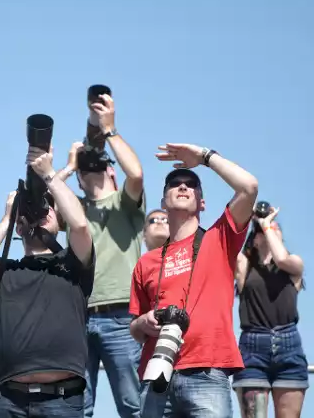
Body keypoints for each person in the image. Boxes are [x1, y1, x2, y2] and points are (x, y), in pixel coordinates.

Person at [0, 144, 95, 417]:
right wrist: (8, 219)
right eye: (36, 211)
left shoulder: (73, 266)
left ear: (59, 222)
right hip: (7, 400)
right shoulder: (5, 272)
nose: (43, 213)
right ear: (20, 226)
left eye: (49, 210)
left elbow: (81, 226)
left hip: (63, 399)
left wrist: (49, 175)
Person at [129, 143, 258, 418]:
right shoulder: (146, 262)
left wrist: (204, 158)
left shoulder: (219, 238)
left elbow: (249, 187)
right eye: (175, 183)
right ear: (163, 203)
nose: (183, 186)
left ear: (202, 202)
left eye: (192, 184)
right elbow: (136, 328)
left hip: (207, 373)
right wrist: (143, 322)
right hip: (156, 375)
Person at [56, 91, 144, 417]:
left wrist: (109, 130)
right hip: (79, 316)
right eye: (84, 168)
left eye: (99, 164)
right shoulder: (74, 209)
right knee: (78, 408)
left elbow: (136, 174)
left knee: (134, 406)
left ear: (111, 171)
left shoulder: (126, 204)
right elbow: (39, 206)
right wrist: (66, 168)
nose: (91, 168)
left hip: (122, 316)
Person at [232, 205, 308, 418]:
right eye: (261, 230)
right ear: (254, 239)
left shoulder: (294, 266)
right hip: (252, 347)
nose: (268, 230)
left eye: (275, 228)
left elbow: (281, 259)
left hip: (289, 345)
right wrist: (250, 215)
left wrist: (266, 225)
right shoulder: (245, 265)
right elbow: (233, 242)